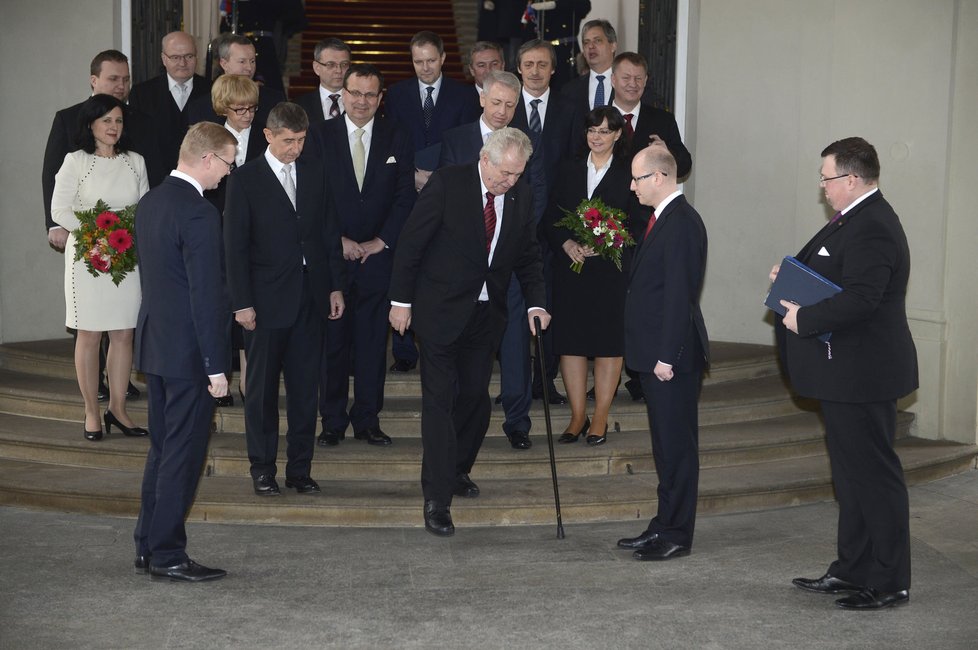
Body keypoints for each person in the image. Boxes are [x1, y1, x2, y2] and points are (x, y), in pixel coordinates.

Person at [774, 137, 917, 610]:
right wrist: (792, 276)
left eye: (827, 177)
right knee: (851, 477)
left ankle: (890, 579)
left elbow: (862, 298)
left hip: (864, 373)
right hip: (846, 373)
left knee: (874, 477)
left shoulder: (873, 224)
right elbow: (836, 278)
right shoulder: (851, 220)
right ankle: (853, 569)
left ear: (852, 180)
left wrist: (804, 319)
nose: (823, 186)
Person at [389, 127, 549, 536]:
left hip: (486, 315)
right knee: (439, 404)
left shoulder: (520, 195)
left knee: (475, 400)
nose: (508, 182)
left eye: (516, 175)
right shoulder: (448, 183)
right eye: (503, 174)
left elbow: (528, 255)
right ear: (484, 158)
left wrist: (536, 302)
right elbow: (411, 244)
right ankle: (437, 498)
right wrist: (401, 302)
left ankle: (457, 468)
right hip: (440, 311)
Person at [132, 122, 236, 582]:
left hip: (156, 346)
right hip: (189, 353)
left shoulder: (151, 201)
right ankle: (169, 554)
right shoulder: (199, 212)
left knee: (162, 450)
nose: (227, 175)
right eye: (228, 164)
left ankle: (146, 544)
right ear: (208, 157)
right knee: (182, 454)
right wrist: (217, 365)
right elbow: (205, 295)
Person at [224, 102, 345, 497]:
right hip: (263, 303)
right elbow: (235, 248)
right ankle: (262, 468)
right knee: (259, 393)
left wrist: (334, 286)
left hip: (310, 298)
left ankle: (299, 470)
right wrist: (241, 302)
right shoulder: (245, 180)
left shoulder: (315, 171)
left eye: (302, 140)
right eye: (289, 141)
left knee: (305, 389)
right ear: (268, 136)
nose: (296, 148)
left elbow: (328, 233)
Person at [305, 63, 416, 448]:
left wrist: (380, 241)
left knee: (372, 344)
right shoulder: (319, 136)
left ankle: (367, 419)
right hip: (333, 258)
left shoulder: (396, 136)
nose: (362, 101)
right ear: (343, 94)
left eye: (371, 94)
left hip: (378, 259)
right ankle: (332, 421)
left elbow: (406, 195)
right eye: (355, 93)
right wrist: (338, 240)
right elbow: (310, 196)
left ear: (380, 98)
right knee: (333, 343)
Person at [439, 70, 547, 451]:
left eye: (511, 104)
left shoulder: (526, 143)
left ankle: (518, 421)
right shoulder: (456, 140)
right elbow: (442, 202)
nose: (503, 111)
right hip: (462, 270)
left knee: (516, 343)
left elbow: (533, 197)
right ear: (481, 97)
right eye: (496, 102)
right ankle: (457, 422)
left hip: (508, 261)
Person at [616, 142, 708, 561]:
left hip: (671, 359)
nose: (632, 187)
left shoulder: (683, 223)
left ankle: (676, 534)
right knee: (665, 449)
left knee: (677, 449)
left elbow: (679, 297)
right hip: (656, 355)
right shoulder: (661, 218)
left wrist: (667, 356)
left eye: (637, 178)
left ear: (660, 177)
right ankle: (663, 524)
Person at [51, 94, 150, 442]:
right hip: (86, 258)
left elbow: (143, 209)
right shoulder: (75, 161)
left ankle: (119, 410)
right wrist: (97, 234)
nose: (113, 127)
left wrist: (122, 236)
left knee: (124, 334)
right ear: (91, 124)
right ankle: (92, 412)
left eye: (119, 121)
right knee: (90, 335)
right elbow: (59, 210)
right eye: (106, 120)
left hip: (126, 257)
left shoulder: (136, 161)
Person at [383, 30, 481, 370]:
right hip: (406, 189)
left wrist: (438, 178)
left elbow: (469, 143)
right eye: (417, 61)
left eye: (430, 60)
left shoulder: (465, 95)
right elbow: (392, 141)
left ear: (442, 59)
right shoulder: (396, 94)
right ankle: (404, 350)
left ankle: (444, 341)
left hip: (449, 190)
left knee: (441, 265)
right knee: (404, 262)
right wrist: (410, 175)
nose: (424, 67)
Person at [544, 107, 640, 446]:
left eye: (604, 131)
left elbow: (639, 220)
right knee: (570, 343)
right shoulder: (568, 168)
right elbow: (549, 218)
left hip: (610, 272)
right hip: (572, 270)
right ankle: (576, 415)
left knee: (607, 344)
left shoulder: (630, 171)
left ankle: (600, 415)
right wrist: (566, 242)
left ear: (617, 134)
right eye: (591, 130)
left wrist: (610, 241)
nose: (596, 137)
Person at [512, 39, 575, 403]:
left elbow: (571, 168)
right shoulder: (507, 107)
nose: (535, 71)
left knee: (546, 302)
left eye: (542, 64)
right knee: (514, 302)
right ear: (519, 68)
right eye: (529, 64)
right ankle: (516, 381)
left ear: (553, 69)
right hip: (511, 220)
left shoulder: (569, 109)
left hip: (553, 226)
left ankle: (544, 378)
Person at [205, 74, 264, 407]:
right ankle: (218, 378)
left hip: (253, 235)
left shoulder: (264, 137)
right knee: (218, 305)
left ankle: (248, 382)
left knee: (246, 303)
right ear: (223, 107)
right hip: (214, 231)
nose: (247, 114)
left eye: (252, 108)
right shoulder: (209, 137)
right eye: (239, 108)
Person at [128, 31, 211, 174]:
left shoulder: (212, 91)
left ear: (196, 57)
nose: (183, 63)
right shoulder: (142, 93)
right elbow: (136, 142)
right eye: (175, 57)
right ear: (163, 59)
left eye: (189, 56)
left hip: (202, 180)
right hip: (154, 180)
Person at [609, 52, 691, 177]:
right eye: (626, 78)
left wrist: (666, 154)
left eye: (638, 78)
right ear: (613, 80)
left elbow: (684, 166)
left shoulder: (663, 120)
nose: (633, 84)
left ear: (645, 81)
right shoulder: (597, 119)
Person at [186, 34, 287, 130]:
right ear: (224, 64)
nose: (249, 68)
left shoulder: (274, 101)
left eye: (252, 61)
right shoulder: (200, 106)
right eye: (242, 61)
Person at [560, 19, 618, 116]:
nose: (591, 46)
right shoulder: (569, 91)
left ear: (613, 46)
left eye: (597, 41)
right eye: (586, 42)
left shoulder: (628, 85)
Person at [294, 38, 352, 123]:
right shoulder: (298, 106)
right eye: (331, 65)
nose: (339, 70)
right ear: (317, 68)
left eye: (344, 64)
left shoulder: (361, 103)